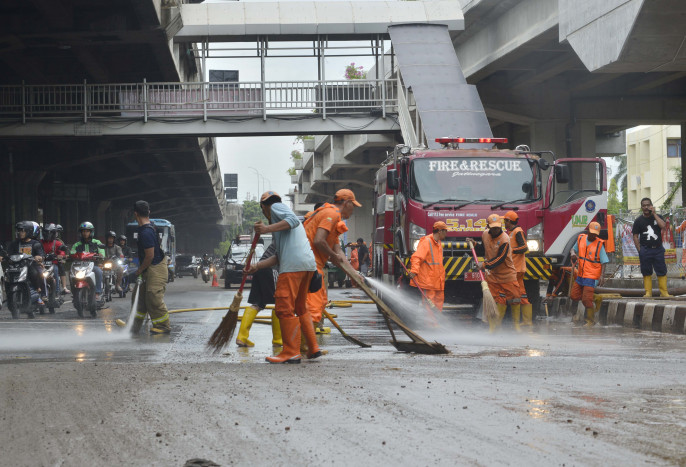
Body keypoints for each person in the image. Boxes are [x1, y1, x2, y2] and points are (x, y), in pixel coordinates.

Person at [244, 191, 319, 363]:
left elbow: (293, 221)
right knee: (301, 308)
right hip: (306, 265)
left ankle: (291, 352)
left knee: (283, 308)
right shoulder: (280, 230)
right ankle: (313, 348)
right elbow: (278, 256)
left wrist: (265, 229)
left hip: (293, 267)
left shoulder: (276, 207)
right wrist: (256, 266)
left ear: (264, 207)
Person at [304, 189, 360, 330]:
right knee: (314, 311)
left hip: (312, 266)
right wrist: (333, 256)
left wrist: (353, 274)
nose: (353, 210)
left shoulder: (332, 217)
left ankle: (306, 348)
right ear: (347, 203)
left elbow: (338, 252)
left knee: (320, 304)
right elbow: (319, 241)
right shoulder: (331, 214)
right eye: (353, 205)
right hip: (309, 266)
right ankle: (304, 349)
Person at [468, 214, 520, 332]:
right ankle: (494, 328)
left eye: (497, 227)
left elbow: (500, 258)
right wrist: (475, 244)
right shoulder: (485, 234)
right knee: (496, 301)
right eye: (493, 227)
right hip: (492, 275)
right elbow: (484, 249)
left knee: (515, 298)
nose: (496, 229)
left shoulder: (504, 239)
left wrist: (484, 265)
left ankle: (516, 325)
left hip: (507, 274)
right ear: (488, 226)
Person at [130, 201, 171, 335]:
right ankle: (133, 326)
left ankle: (163, 326)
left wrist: (138, 271)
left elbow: (149, 256)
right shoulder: (148, 227)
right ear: (148, 212)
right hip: (149, 267)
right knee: (139, 297)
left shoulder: (146, 232)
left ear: (135, 214)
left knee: (153, 296)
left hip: (156, 267)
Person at [236, 243, 282, 348]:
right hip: (270, 269)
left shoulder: (277, 239)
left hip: (259, 269)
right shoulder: (286, 239)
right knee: (279, 302)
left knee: (257, 304)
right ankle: (278, 339)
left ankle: (242, 337)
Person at [570, 222, 609, 327]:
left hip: (591, 276)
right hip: (581, 274)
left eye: (596, 234)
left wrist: (602, 276)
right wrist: (573, 253)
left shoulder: (599, 244)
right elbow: (573, 249)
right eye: (592, 233)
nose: (594, 235)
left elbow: (604, 261)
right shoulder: (581, 238)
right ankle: (595, 298)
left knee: (586, 300)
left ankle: (590, 321)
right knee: (574, 296)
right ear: (588, 231)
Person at [632, 197, 670, 297]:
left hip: (658, 249)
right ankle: (648, 292)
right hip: (645, 249)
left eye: (648, 205)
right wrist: (639, 250)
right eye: (644, 205)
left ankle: (664, 292)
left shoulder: (658, 216)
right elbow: (635, 236)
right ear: (641, 207)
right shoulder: (638, 220)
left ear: (651, 206)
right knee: (646, 271)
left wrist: (654, 214)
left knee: (661, 270)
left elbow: (663, 226)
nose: (646, 207)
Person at [408, 221, 447, 315]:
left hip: (438, 281)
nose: (446, 233)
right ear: (440, 231)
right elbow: (417, 257)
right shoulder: (427, 242)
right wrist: (414, 271)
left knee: (438, 303)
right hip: (429, 281)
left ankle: (436, 324)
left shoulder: (438, 243)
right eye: (445, 231)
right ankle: (431, 326)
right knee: (429, 305)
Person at [6, 220, 46, 307]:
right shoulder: (14, 243)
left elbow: (41, 255)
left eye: (22, 231)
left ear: (29, 231)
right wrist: (5, 257)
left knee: (38, 273)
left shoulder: (35, 243)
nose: (20, 233)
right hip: (17, 267)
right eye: (19, 231)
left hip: (31, 265)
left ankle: (39, 290)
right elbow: (8, 254)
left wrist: (39, 257)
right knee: (7, 276)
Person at [503, 211, 531, 331]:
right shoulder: (513, 232)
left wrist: (511, 250)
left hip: (516, 269)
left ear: (509, 221)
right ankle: (526, 322)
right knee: (522, 294)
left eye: (505, 221)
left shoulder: (517, 232)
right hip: (516, 268)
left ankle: (524, 322)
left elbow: (524, 247)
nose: (505, 223)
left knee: (511, 294)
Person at [70, 221, 105, 302]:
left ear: (91, 232)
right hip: (79, 266)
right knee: (71, 275)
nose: (85, 233)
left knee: (99, 271)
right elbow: (72, 252)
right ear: (81, 232)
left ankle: (97, 292)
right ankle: (74, 293)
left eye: (87, 231)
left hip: (92, 266)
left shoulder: (97, 242)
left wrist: (100, 255)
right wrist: (69, 255)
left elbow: (102, 251)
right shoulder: (77, 244)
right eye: (83, 231)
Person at [40, 223, 67, 296]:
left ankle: (57, 291)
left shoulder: (57, 243)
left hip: (53, 264)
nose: (48, 235)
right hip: (41, 264)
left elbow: (62, 251)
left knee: (55, 270)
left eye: (50, 233)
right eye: (46, 232)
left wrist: (60, 255)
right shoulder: (39, 242)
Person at [54, 224, 70, 294]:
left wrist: (63, 255)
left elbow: (64, 251)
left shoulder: (59, 241)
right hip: (46, 261)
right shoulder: (42, 241)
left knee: (61, 268)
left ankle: (64, 287)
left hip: (57, 261)